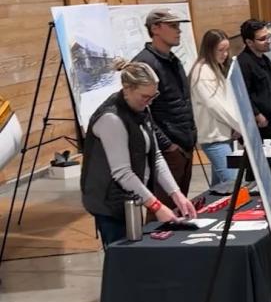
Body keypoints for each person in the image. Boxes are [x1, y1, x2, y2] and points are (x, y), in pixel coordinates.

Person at [81, 59, 198, 247]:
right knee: (121, 258)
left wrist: (177, 194)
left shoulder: (143, 108)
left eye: (154, 96)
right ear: (127, 89)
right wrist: (156, 206)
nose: (149, 101)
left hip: (131, 199)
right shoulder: (111, 118)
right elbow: (122, 172)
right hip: (110, 203)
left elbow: (156, 156)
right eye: (145, 96)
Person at [135, 7, 196, 198]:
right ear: (155, 28)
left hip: (183, 144)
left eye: (178, 26)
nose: (178, 31)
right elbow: (141, 112)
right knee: (163, 210)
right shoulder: (144, 64)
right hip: (168, 150)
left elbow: (182, 101)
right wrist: (167, 144)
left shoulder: (173, 60)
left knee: (180, 206)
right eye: (173, 26)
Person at [188, 29, 241, 186]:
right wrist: (241, 126)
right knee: (233, 183)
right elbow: (217, 106)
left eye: (226, 50)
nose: (225, 54)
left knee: (219, 188)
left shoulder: (215, 68)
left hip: (224, 135)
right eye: (220, 50)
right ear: (209, 49)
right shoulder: (202, 72)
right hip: (215, 139)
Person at [236, 19, 271, 140]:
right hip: (257, 125)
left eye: (269, 36)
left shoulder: (265, 59)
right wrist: (257, 115)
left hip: (269, 121)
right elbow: (242, 94)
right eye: (262, 39)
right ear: (249, 42)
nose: (268, 41)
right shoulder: (243, 63)